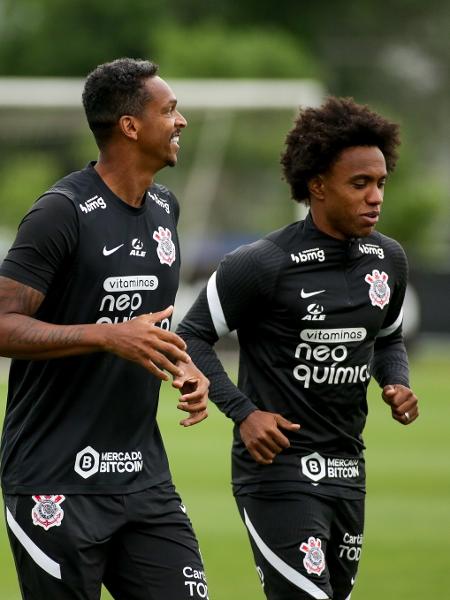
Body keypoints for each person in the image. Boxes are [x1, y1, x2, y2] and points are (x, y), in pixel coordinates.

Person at [177, 96, 419, 600]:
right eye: (360, 184)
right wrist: (243, 414)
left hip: (349, 467)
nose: (375, 197)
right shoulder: (261, 263)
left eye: (380, 183)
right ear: (317, 186)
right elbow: (191, 334)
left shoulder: (388, 259)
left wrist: (396, 380)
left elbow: (389, 337)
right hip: (279, 470)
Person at [0, 58, 210, 600]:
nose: (181, 121)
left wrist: (181, 363)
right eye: (169, 110)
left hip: (143, 478)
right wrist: (103, 335)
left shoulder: (166, 208)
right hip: (55, 480)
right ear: (130, 126)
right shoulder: (60, 211)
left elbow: (145, 324)